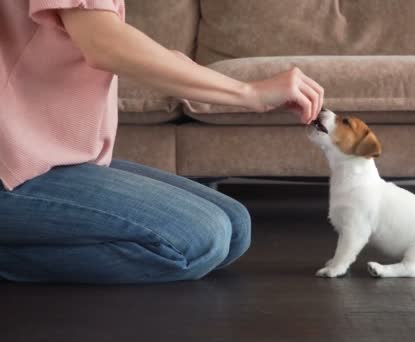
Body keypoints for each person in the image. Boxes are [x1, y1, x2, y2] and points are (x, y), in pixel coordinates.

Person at [0, 0, 324, 283]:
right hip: (12, 170)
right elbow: (103, 43)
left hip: (46, 158)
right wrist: (249, 93)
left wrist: (245, 86)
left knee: (235, 227)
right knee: (197, 240)